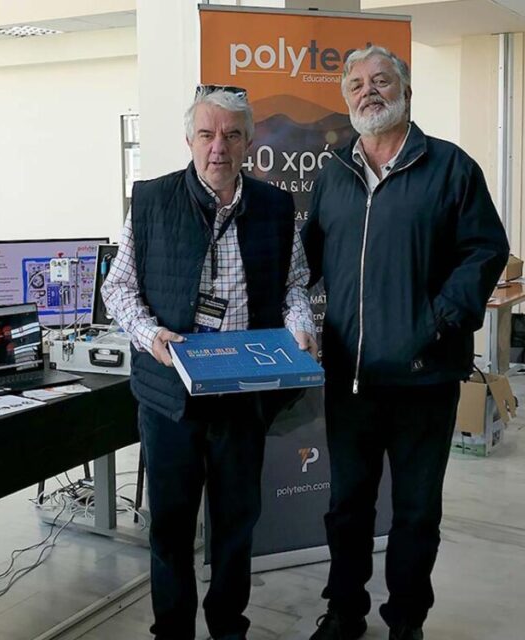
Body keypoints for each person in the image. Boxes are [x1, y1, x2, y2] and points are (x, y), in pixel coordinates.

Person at [301, 46, 509, 640]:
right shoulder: (334, 174)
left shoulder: (450, 168)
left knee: (417, 512)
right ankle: (345, 612)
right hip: (350, 376)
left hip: (425, 375)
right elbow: (306, 262)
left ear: (406, 91)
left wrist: (438, 321)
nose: (369, 91)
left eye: (382, 80)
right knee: (347, 508)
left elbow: (485, 250)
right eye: (357, 84)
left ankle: (406, 621)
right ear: (346, 98)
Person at [101, 85, 316, 640]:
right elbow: (118, 287)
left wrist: (301, 324)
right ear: (189, 140)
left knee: (236, 525)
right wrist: (151, 336)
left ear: (249, 142)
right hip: (171, 395)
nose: (218, 146)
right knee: (170, 528)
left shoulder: (273, 206)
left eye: (231, 134)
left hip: (243, 394)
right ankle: (172, 631)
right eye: (207, 133)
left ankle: (228, 628)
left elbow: (294, 286)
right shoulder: (150, 200)